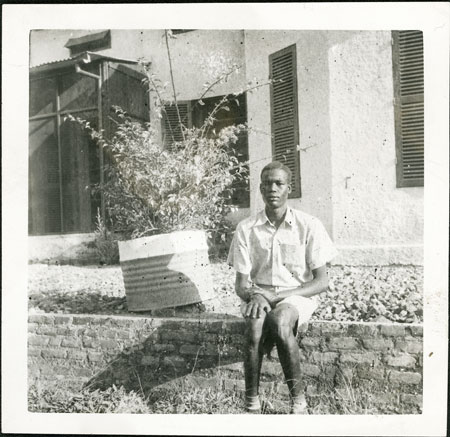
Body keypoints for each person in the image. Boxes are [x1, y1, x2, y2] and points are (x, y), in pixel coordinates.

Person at [227, 161, 338, 414]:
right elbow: (241, 285)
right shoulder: (246, 229)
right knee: (254, 326)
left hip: (297, 295)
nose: (273, 189)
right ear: (260, 189)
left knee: (279, 321)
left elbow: (321, 282)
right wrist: (256, 295)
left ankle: (298, 400)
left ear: (290, 188)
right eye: (267, 184)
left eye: (279, 183)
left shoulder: (308, 225)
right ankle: (251, 401)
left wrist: (276, 296)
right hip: (260, 295)